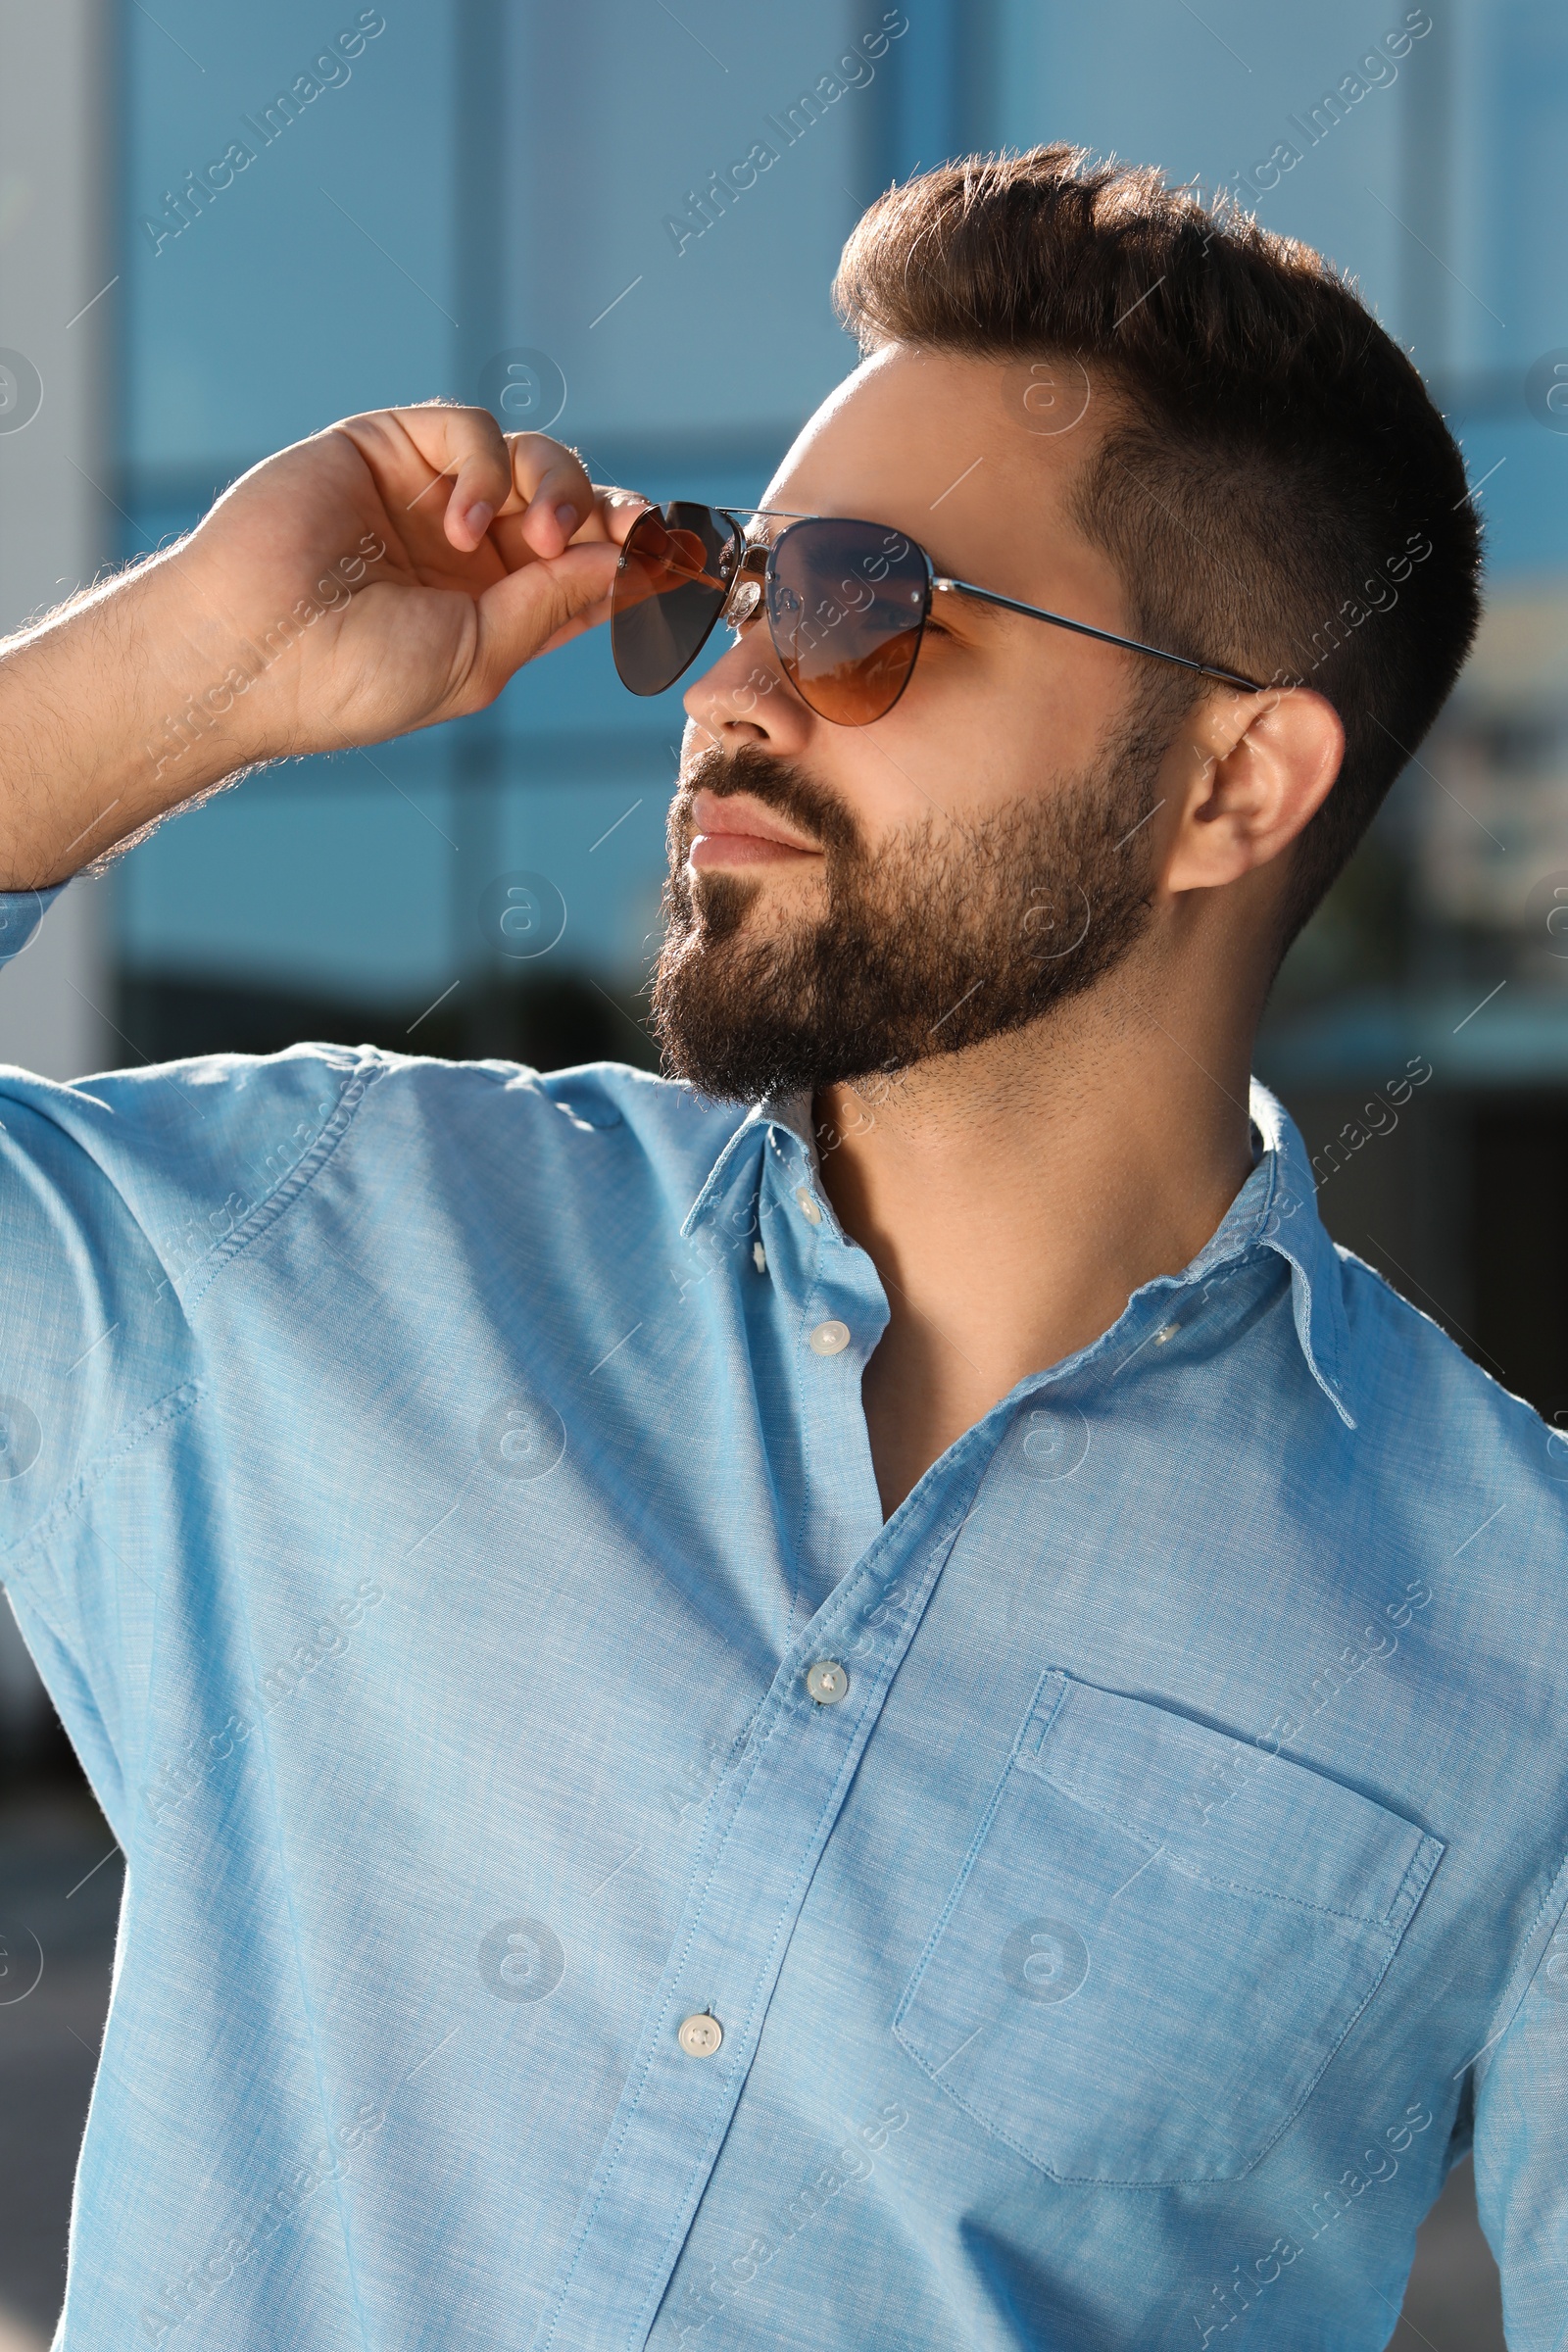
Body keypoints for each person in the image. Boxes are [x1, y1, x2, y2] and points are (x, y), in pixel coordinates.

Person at [0, 145, 1561, 2352]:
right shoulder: (322, 1242)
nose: (727, 688)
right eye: (724, 589)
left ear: (1232, 782)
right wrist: (189, 669)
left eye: (855, 601)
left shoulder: (1517, 1625)